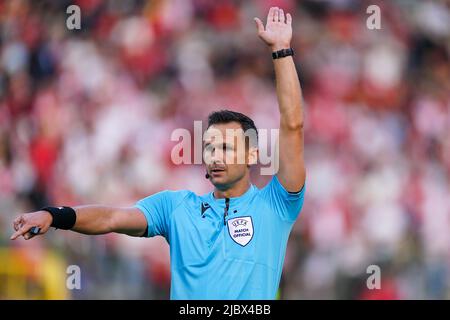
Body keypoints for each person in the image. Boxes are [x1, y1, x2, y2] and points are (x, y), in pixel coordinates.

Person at [10, 7, 306, 300]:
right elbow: (111, 218)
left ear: (252, 155)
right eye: (210, 147)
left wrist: (281, 50)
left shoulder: (276, 205)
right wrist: (54, 215)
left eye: (226, 148)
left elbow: (292, 125)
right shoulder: (176, 207)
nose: (215, 156)